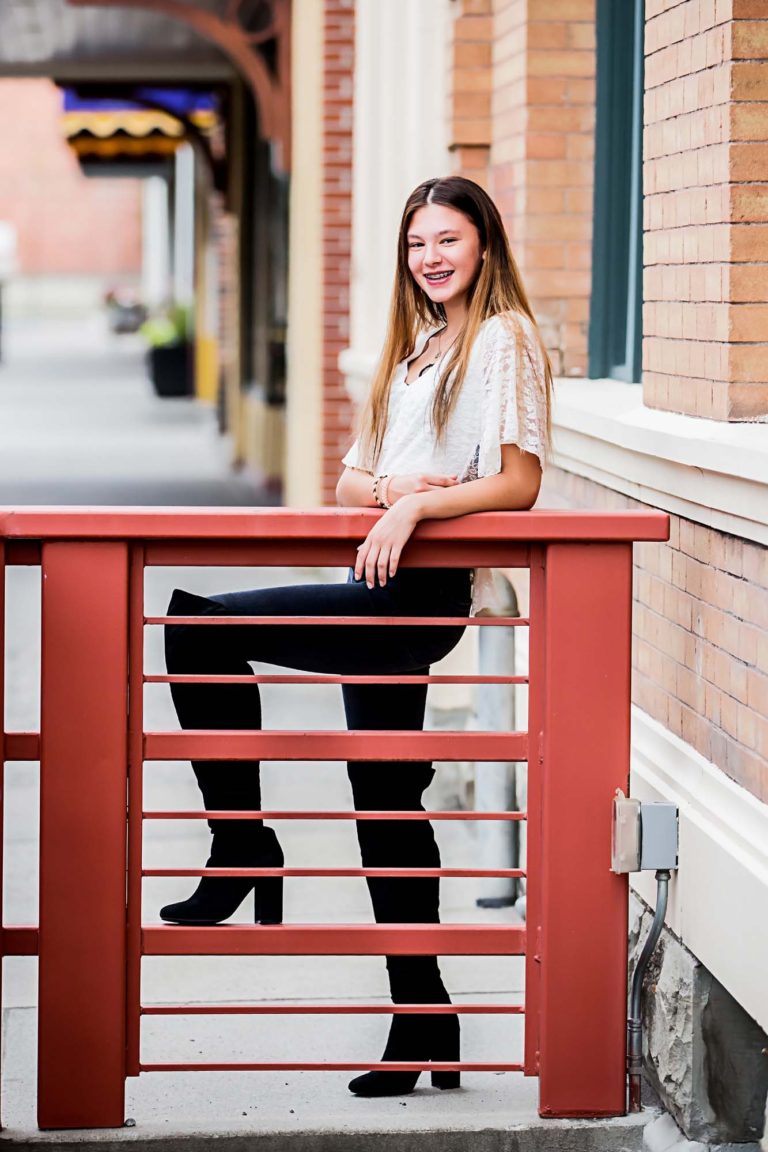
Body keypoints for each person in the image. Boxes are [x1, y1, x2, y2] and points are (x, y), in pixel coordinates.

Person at [162, 175, 552, 1097]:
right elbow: (349, 484)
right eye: (418, 243)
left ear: (485, 245)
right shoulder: (414, 349)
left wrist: (413, 506)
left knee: (199, 625)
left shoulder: (503, 340)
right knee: (386, 801)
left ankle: (242, 843)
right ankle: (426, 1018)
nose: (433, 258)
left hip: (415, 597)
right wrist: (391, 498)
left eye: (449, 239)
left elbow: (519, 482)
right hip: (370, 583)